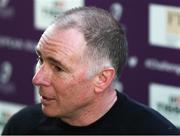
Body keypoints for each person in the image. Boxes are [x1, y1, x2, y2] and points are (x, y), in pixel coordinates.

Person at [2, 6, 180, 135]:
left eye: (58, 68)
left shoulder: (155, 132)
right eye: (40, 59)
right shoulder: (21, 127)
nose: (37, 78)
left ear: (102, 79)